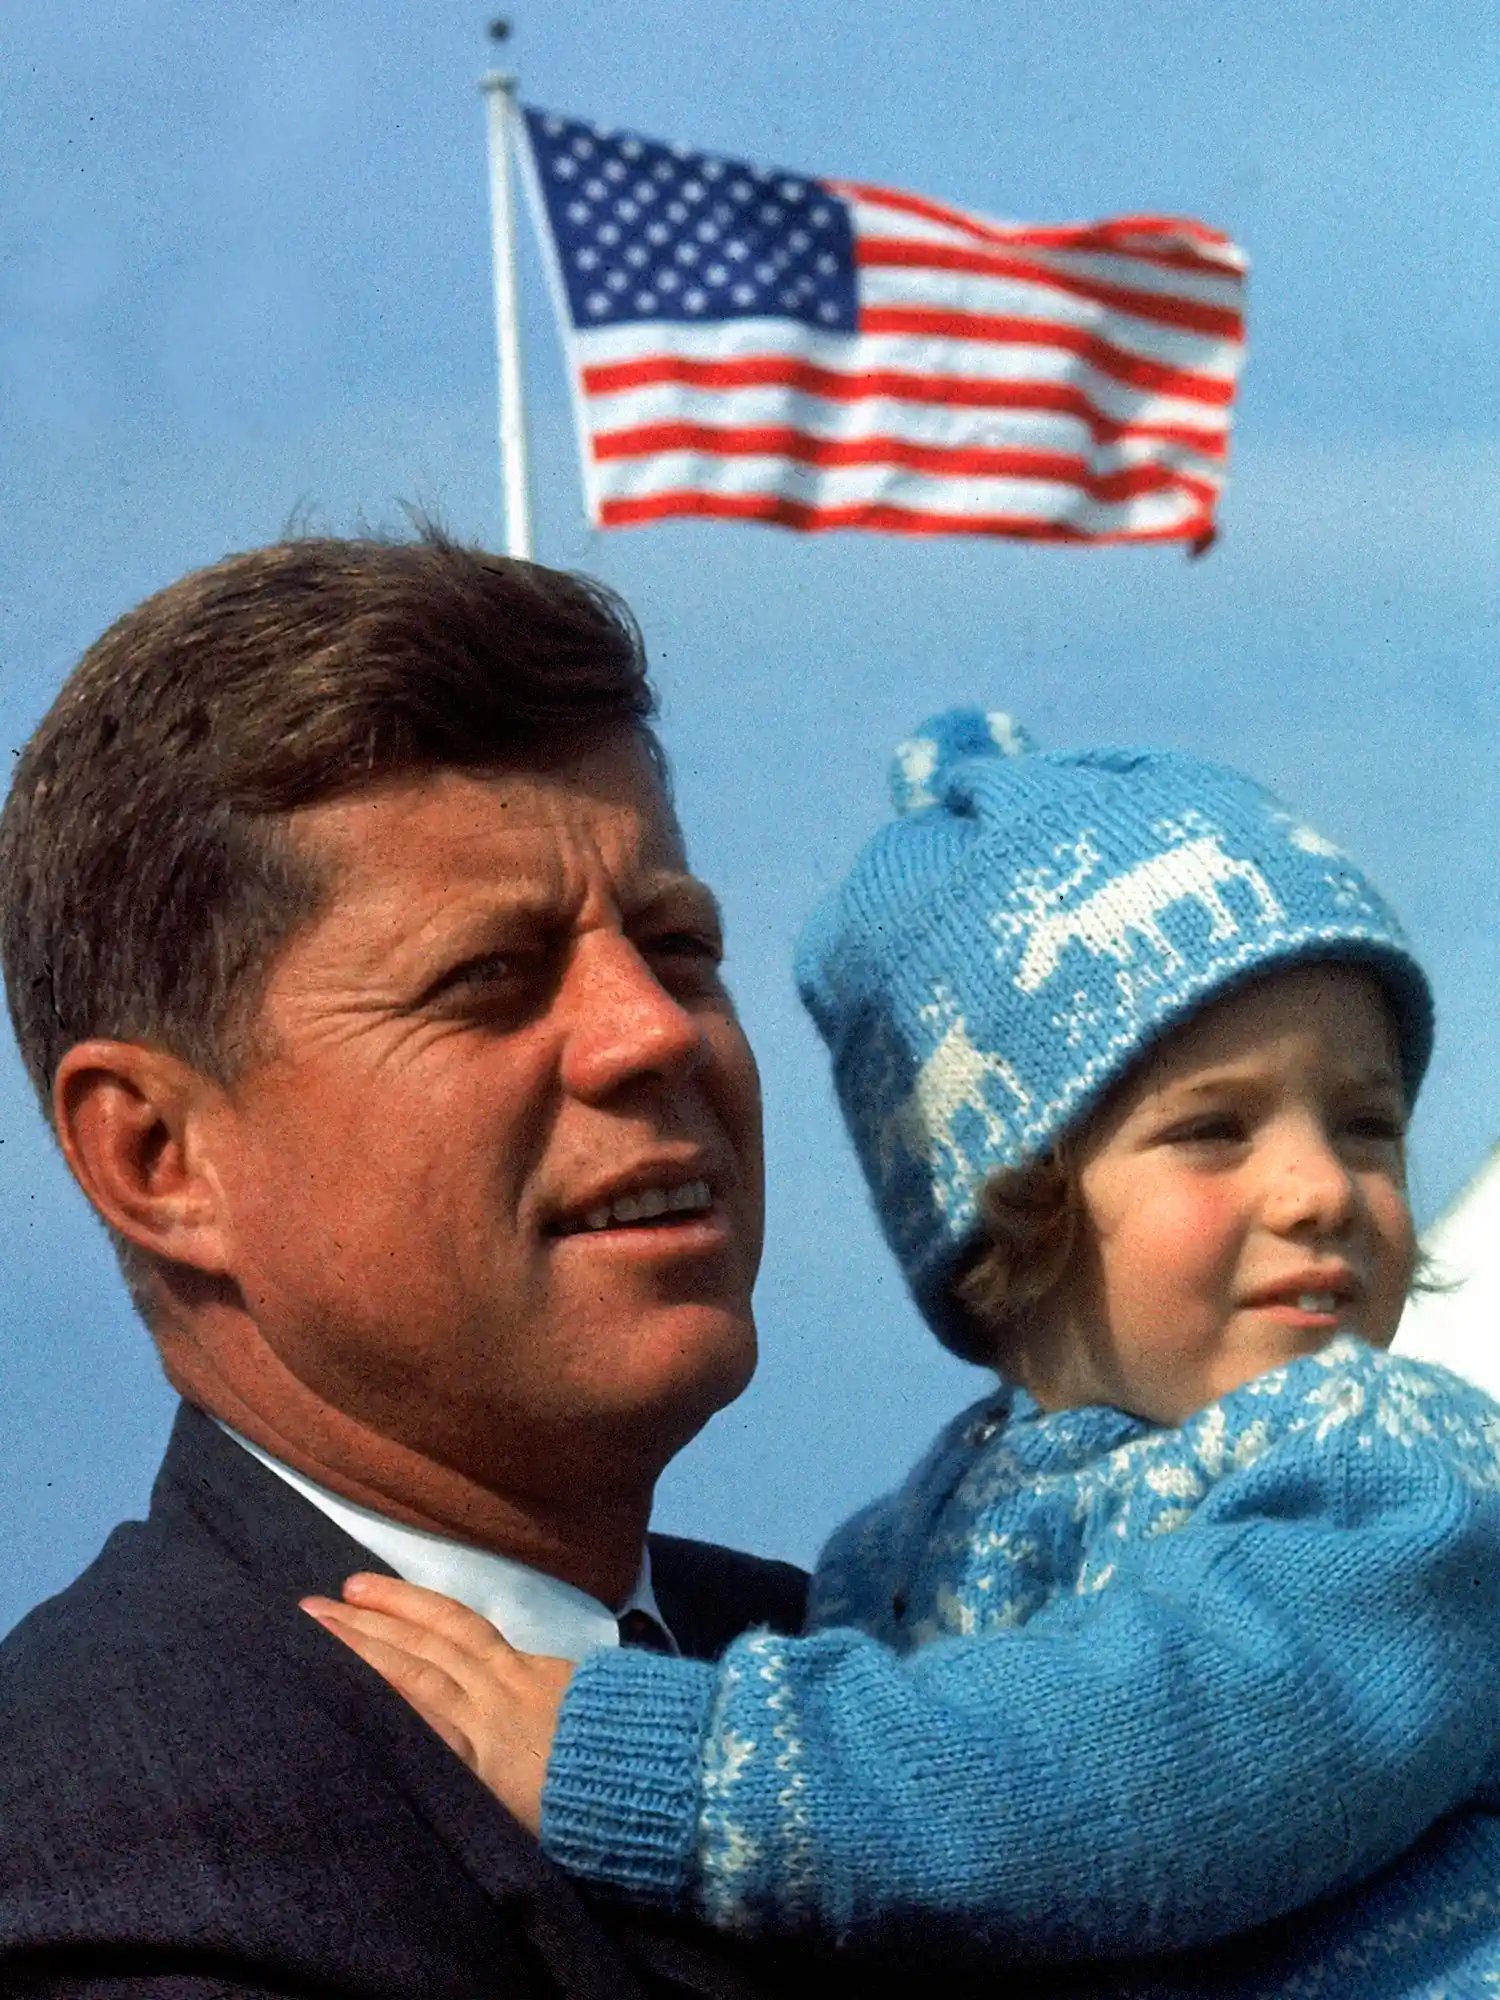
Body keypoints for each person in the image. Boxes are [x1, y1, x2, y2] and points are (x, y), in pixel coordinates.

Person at [311, 707, 1500, 1996]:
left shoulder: (1394, 1475)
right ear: (1015, 1202)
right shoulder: (894, 1558)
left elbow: (1136, 1763)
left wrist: (656, 1767)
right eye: (1214, 1130)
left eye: (1368, 1125)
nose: (1320, 1190)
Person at [0, 533, 814, 1998]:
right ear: (157, 1158)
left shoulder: (868, 1673)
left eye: (679, 946)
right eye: (489, 976)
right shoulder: (120, 1857)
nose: (654, 1031)